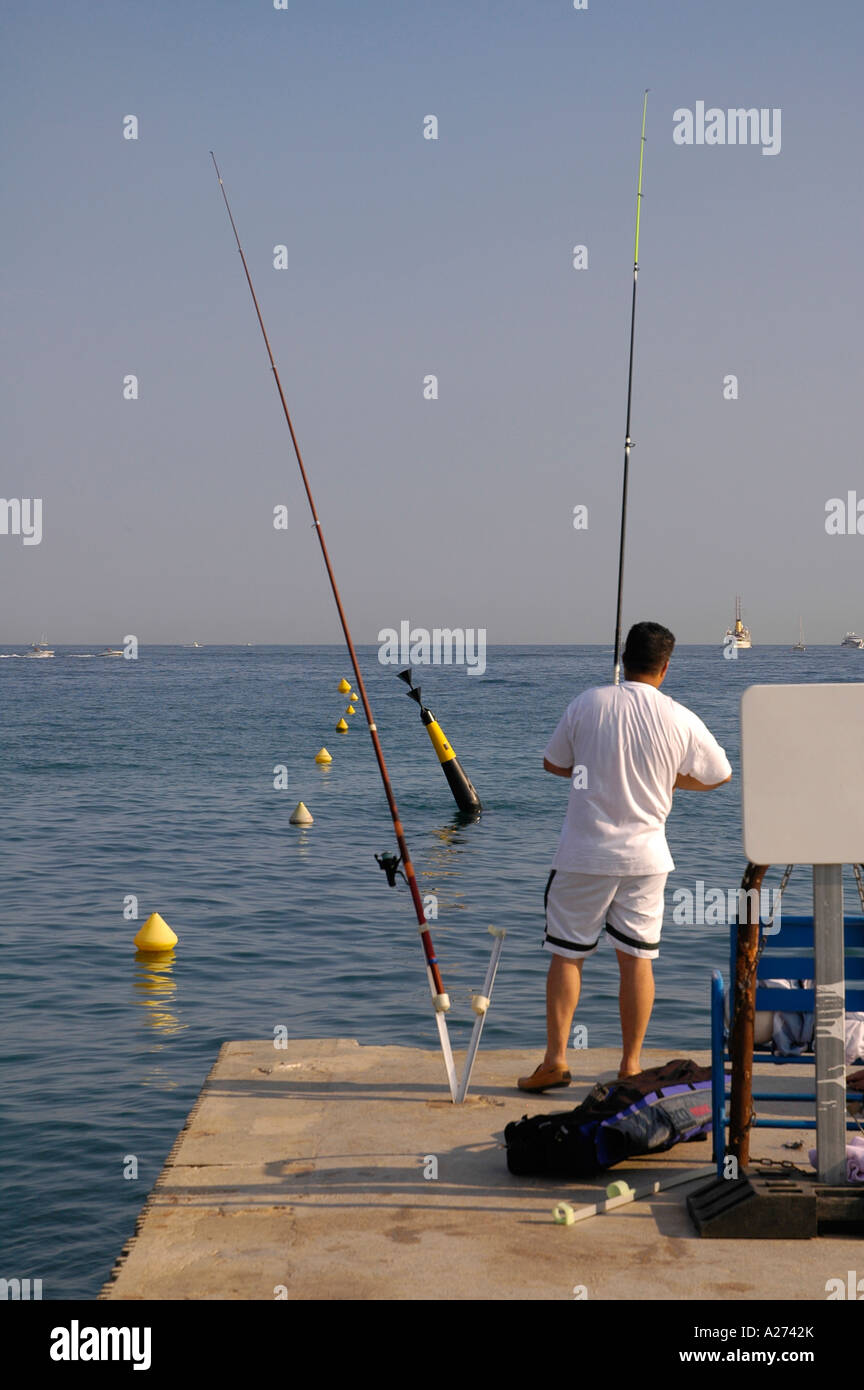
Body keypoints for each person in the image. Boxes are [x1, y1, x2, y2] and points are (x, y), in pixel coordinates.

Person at [518, 621, 732, 1092]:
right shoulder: (679, 716)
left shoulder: (588, 702)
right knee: (637, 959)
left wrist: (594, 769)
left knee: (567, 956)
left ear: (622, 657)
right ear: (666, 666)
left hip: (584, 855)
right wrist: (673, 780)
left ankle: (555, 1060)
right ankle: (630, 1065)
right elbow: (720, 774)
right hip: (647, 859)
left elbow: (553, 763)